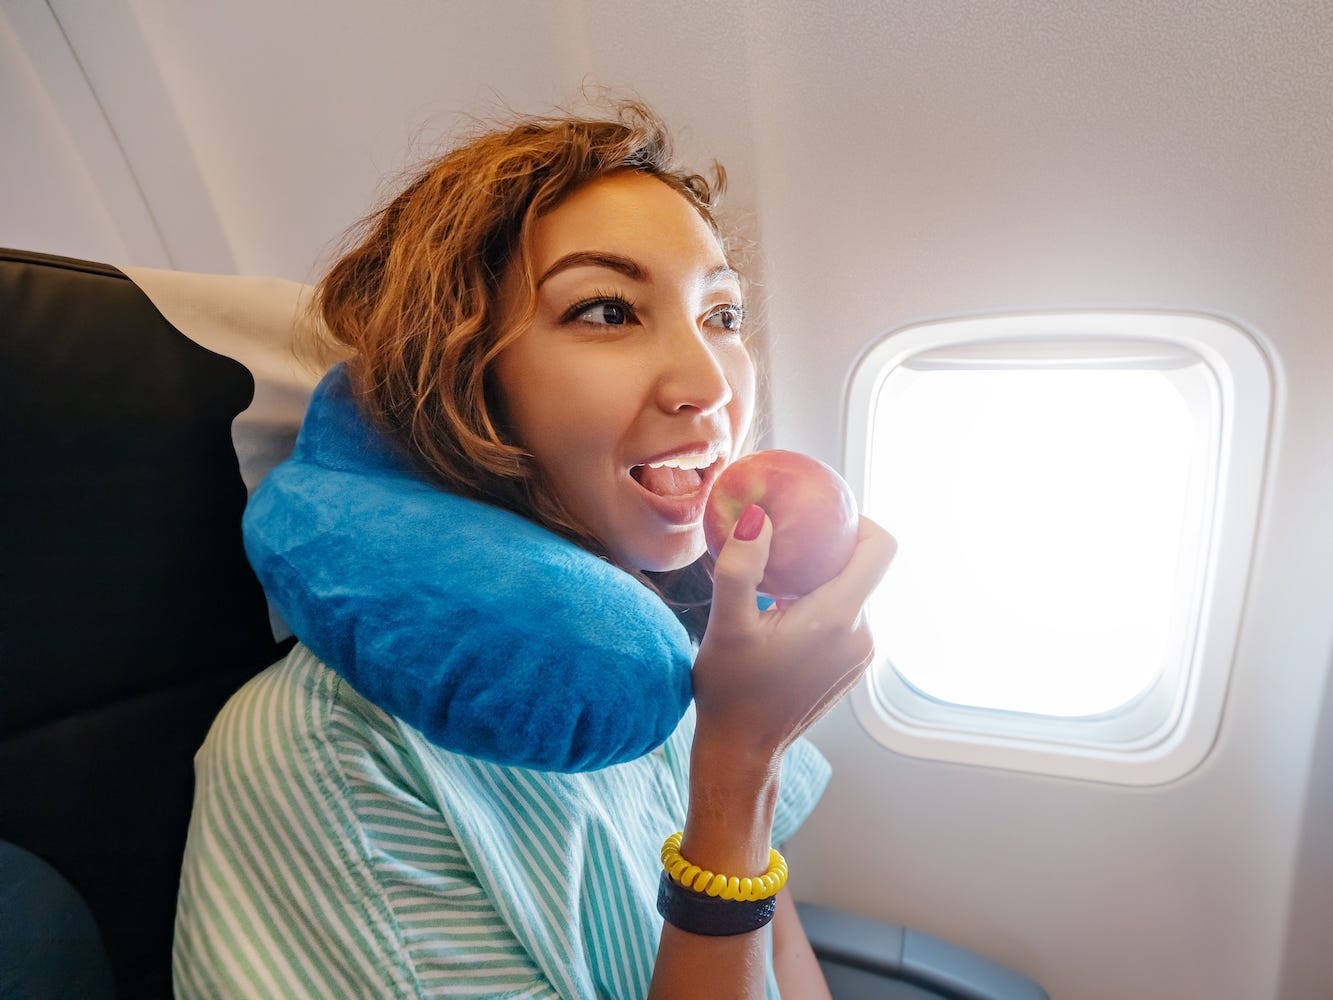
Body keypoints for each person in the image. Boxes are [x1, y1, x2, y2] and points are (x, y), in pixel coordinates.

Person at [172, 99, 895, 999]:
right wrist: (738, 769)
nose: (711, 385)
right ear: (460, 373)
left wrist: (735, 743)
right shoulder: (321, 757)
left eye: (721, 314)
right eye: (605, 311)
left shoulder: (664, 640)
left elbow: (784, 965)